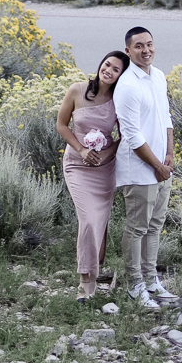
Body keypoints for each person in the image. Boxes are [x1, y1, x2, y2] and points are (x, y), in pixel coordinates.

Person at [113, 25, 178, 311]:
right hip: (140, 170)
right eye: (139, 46)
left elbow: (166, 118)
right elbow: (132, 136)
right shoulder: (128, 85)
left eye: (149, 44)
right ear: (128, 51)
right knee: (137, 228)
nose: (146, 50)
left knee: (155, 225)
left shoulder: (159, 76)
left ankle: (151, 280)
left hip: (162, 167)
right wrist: (157, 166)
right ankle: (134, 285)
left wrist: (169, 156)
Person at [57, 49, 129, 301]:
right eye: (107, 64)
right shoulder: (77, 90)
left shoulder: (119, 100)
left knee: (99, 219)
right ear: (101, 64)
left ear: (121, 76)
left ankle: (94, 271)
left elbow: (125, 135)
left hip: (104, 169)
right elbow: (61, 125)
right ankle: (84, 281)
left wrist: (107, 153)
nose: (109, 70)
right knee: (88, 219)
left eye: (116, 69)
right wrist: (82, 149)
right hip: (77, 166)